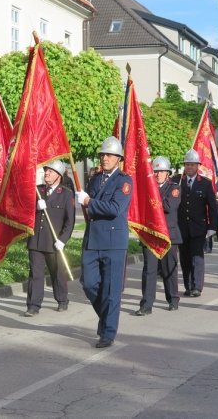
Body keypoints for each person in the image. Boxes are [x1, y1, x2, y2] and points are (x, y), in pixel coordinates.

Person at [75, 136, 132, 348]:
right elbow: (90, 207)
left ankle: (108, 332)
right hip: (93, 239)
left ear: (119, 158)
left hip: (114, 241)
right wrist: (84, 201)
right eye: (102, 155)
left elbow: (115, 208)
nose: (104, 158)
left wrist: (89, 201)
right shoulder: (95, 179)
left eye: (109, 155)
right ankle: (106, 317)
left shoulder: (124, 181)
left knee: (111, 289)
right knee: (89, 284)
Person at [24, 160, 75, 316]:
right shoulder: (38, 191)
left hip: (54, 241)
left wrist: (62, 240)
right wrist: (35, 207)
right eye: (46, 171)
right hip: (36, 240)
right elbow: (25, 213)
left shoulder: (66, 194)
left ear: (58, 176)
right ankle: (33, 305)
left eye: (50, 171)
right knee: (35, 274)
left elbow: (70, 221)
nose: (46, 173)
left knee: (57, 272)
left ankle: (62, 299)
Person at [135, 156, 182, 314]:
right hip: (150, 235)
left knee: (169, 269)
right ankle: (146, 304)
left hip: (168, 235)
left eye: (161, 171)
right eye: (155, 171)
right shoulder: (147, 187)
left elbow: (169, 206)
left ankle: (173, 298)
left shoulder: (175, 188)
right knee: (149, 270)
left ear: (168, 173)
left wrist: (152, 198)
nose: (158, 174)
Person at [177, 149, 218, 297]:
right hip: (181, 227)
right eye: (187, 164)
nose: (189, 167)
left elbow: (212, 207)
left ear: (198, 166)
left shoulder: (205, 184)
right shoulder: (177, 181)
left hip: (198, 227)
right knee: (184, 257)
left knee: (197, 257)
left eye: (192, 164)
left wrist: (213, 226)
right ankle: (188, 286)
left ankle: (197, 286)